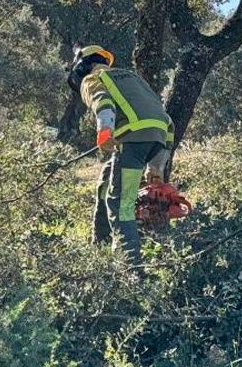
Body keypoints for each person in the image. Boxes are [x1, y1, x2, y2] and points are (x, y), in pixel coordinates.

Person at [67, 46, 174, 260]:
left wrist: (105, 130)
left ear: (82, 64)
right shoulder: (132, 78)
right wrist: (156, 167)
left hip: (133, 141)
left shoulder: (92, 79)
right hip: (160, 139)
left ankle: (129, 265)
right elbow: (168, 121)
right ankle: (103, 243)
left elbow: (103, 102)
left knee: (120, 203)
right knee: (108, 180)